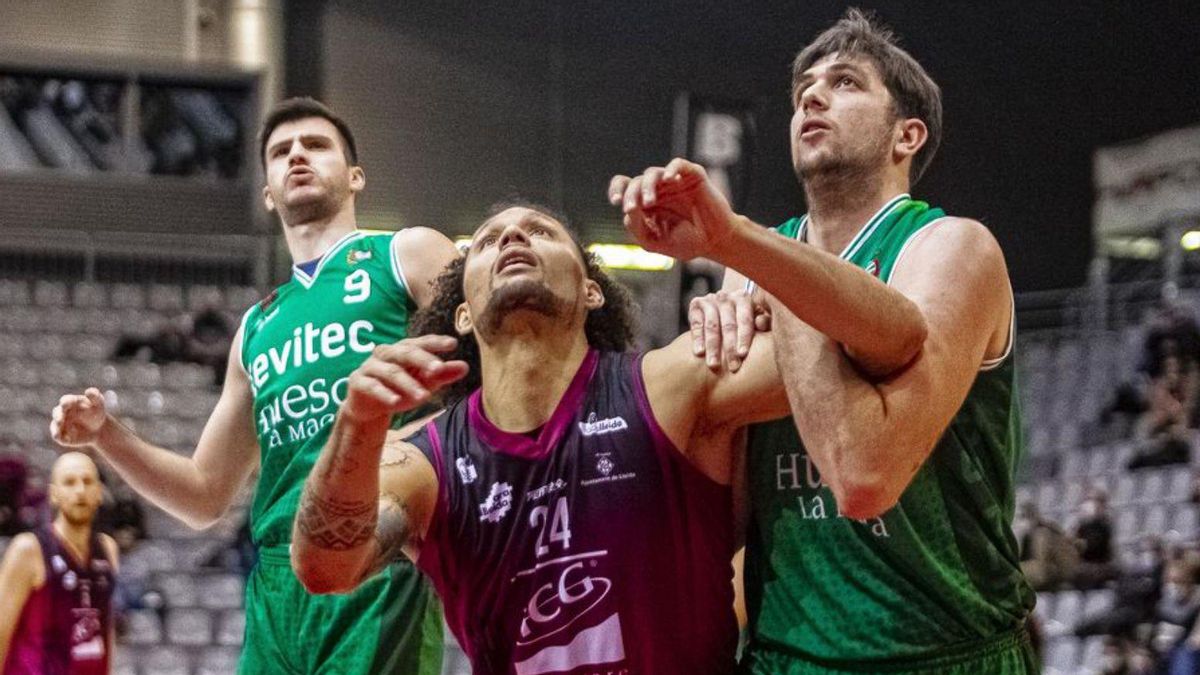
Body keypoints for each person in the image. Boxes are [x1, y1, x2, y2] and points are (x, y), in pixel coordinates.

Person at [608, 8, 1036, 673]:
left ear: (907, 135)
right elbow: (725, 512)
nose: (811, 95)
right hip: (785, 653)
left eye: (844, 83)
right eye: (805, 88)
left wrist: (755, 259)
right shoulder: (745, 265)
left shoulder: (952, 248)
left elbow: (864, 478)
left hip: (942, 652)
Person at [50, 97, 459, 674]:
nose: (297, 155)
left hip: (375, 556)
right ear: (267, 191)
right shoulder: (256, 328)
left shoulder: (404, 253)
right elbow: (202, 495)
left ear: (356, 176)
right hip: (274, 582)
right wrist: (106, 436)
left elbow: (493, 383)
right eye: (280, 152)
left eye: (316, 145)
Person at [290, 204, 792, 673]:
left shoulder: (671, 386)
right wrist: (356, 424)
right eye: (486, 243)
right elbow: (325, 570)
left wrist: (753, 291)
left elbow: (853, 350)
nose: (511, 236)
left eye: (541, 233)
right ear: (463, 311)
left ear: (591, 290)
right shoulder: (426, 459)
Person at [0, 452, 118, 675]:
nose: (80, 490)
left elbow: (106, 631)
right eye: (69, 482)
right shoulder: (29, 549)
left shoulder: (108, 549)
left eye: (87, 481)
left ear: (99, 493)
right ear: (53, 494)